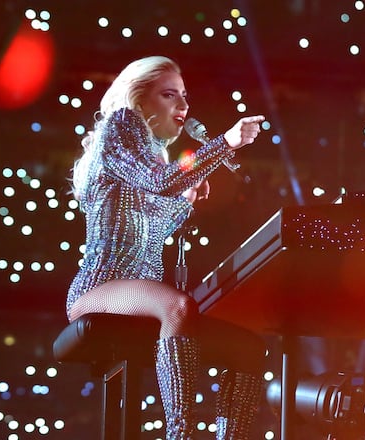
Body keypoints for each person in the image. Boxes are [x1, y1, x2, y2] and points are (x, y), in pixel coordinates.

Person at [66, 55, 267, 440]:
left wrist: (186, 198)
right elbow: (159, 182)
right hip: (99, 287)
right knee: (178, 305)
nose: (183, 106)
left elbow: (157, 216)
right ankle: (180, 433)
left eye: (185, 96)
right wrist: (224, 143)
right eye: (169, 95)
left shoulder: (155, 154)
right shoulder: (121, 124)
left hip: (140, 293)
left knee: (249, 348)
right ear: (140, 101)